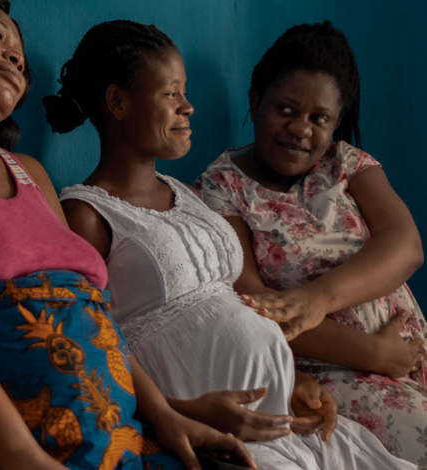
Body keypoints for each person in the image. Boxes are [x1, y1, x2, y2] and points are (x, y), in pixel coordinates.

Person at [0, 1, 256, 469]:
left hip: (116, 434)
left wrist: (164, 413)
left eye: (21, 50)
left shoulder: (31, 172)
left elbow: (96, 318)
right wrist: (16, 452)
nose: (17, 56)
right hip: (22, 442)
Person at [50, 19, 415, 469]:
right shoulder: (86, 214)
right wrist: (176, 412)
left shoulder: (185, 196)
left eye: (184, 93)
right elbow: (91, 345)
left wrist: (291, 378)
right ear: (118, 101)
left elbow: (234, 305)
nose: (188, 107)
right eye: (171, 94)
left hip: (282, 416)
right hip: (218, 427)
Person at [196, 21, 427, 467]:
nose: (300, 129)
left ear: (335, 123)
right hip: (334, 371)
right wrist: (375, 353)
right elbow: (251, 305)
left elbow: (405, 244)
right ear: (255, 102)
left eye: (318, 118)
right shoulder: (222, 188)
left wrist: (315, 299)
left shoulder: (347, 164)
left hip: (408, 356)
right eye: (286, 109)